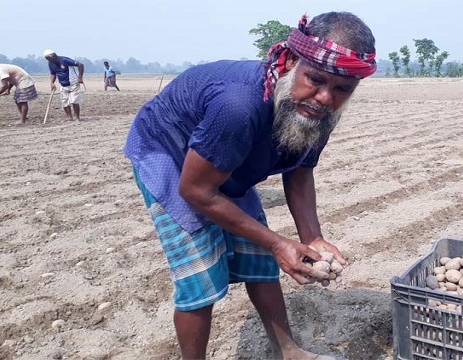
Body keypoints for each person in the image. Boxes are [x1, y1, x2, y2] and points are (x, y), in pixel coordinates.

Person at [123, 12, 376, 360]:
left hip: (224, 155)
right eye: (315, 79)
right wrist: (278, 243)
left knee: (260, 260)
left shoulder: (323, 111)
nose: (324, 97)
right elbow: (196, 191)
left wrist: (311, 236)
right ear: (291, 62)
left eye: (342, 89)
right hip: (172, 155)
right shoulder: (238, 105)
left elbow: (300, 170)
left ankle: (289, 352)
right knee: (201, 276)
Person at [0, 59, 38, 124]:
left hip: (24, 82)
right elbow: (11, 79)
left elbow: (4, 86)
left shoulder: (1, 70)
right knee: (17, 100)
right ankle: (24, 118)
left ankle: (23, 121)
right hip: (22, 81)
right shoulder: (2, 67)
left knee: (22, 101)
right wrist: (8, 89)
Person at [43, 49, 84, 121]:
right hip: (63, 84)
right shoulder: (50, 63)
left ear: (54, 56)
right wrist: (52, 83)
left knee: (74, 101)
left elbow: (80, 65)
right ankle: (69, 118)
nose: (49, 61)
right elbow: (53, 74)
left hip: (73, 83)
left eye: (50, 59)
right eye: (48, 59)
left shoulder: (64, 60)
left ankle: (77, 118)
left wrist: (80, 77)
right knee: (64, 102)